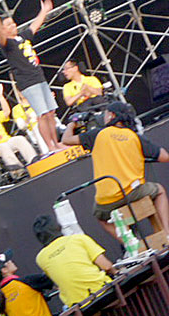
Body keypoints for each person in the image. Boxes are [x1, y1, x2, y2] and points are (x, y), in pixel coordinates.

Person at [61, 101, 169, 242]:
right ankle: (166, 234)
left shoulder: (97, 134)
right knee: (159, 191)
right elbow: (164, 157)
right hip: (133, 191)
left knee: (100, 216)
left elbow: (66, 140)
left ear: (111, 115)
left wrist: (71, 125)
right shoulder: (134, 136)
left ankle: (130, 244)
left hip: (107, 201)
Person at [0, 0, 63, 152]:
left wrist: (44, 10)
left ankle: (56, 142)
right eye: (9, 25)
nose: (13, 25)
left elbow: (35, 25)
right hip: (28, 82)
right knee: (42, 114)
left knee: (51, 112)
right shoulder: (7, 44)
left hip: (39, 77)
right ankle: (50, 146)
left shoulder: (22, 37)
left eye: (13, 23)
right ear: (4, 29)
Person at [33, 215, 117, 308]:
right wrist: (116, 272)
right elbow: (106, 266)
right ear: (58, 227)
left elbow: (59, 283)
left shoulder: (41, 258)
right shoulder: (78, 239)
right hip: (103, 292)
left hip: (78, 307)